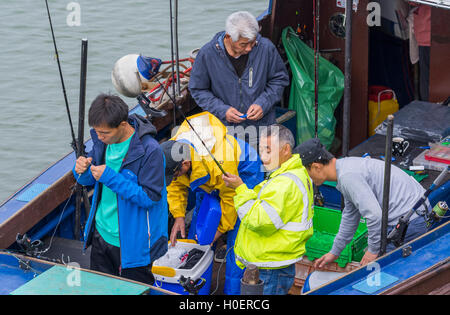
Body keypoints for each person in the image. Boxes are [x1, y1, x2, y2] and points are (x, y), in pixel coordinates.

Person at [161, 111, 263, 295]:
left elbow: (232, 200)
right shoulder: (174, 150)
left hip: (242, 171)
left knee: (237, 242)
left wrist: (218, 232)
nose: (174, 177)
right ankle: (199, 289)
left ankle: (234, 293)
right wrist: (178, 216)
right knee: (198, 238)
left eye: (175, 173)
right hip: (208, 179)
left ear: (185, 164)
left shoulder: (220, 162)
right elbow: (175, 186)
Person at [73, 93, 168, 285]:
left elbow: (150, 198)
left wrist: (110, 177)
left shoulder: (151, 151)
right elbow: (89, 179)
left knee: (134, 290)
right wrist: (81, 171)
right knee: (101, 289)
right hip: (101, 233)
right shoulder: (102, 142)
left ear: (123, 125)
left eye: (104, 133)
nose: (99, 137)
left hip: (133, 244)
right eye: (96, 132)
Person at [294, 138, 429, 268]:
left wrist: (373, 250)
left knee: (386, 272)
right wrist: (335, 252)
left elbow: (375, 216)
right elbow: (350, 215)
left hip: (410, 219)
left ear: (316, 167)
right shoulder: (345, 167)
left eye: (307, 173)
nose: (308, 179)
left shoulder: (347, 177)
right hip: (415, 211)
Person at [223, 124, 314, 295]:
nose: (263, 157)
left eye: (268, 151)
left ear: (286, 150)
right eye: (261, 150)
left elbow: (259, 220)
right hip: (274, 264)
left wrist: (240, 188)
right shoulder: (292, 173)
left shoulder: (284, 182)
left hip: (270, 268)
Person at [188, 11, 289, 147]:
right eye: (243, 44)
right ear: (228, 37)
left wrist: (263, 104)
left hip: (263, 130)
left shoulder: (265, 48)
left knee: (268, 166)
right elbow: (198, 89)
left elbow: (279, 80)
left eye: (252, 43)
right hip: (225, 132)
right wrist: (222, 110)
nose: (248, 48)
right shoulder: (207, 55)